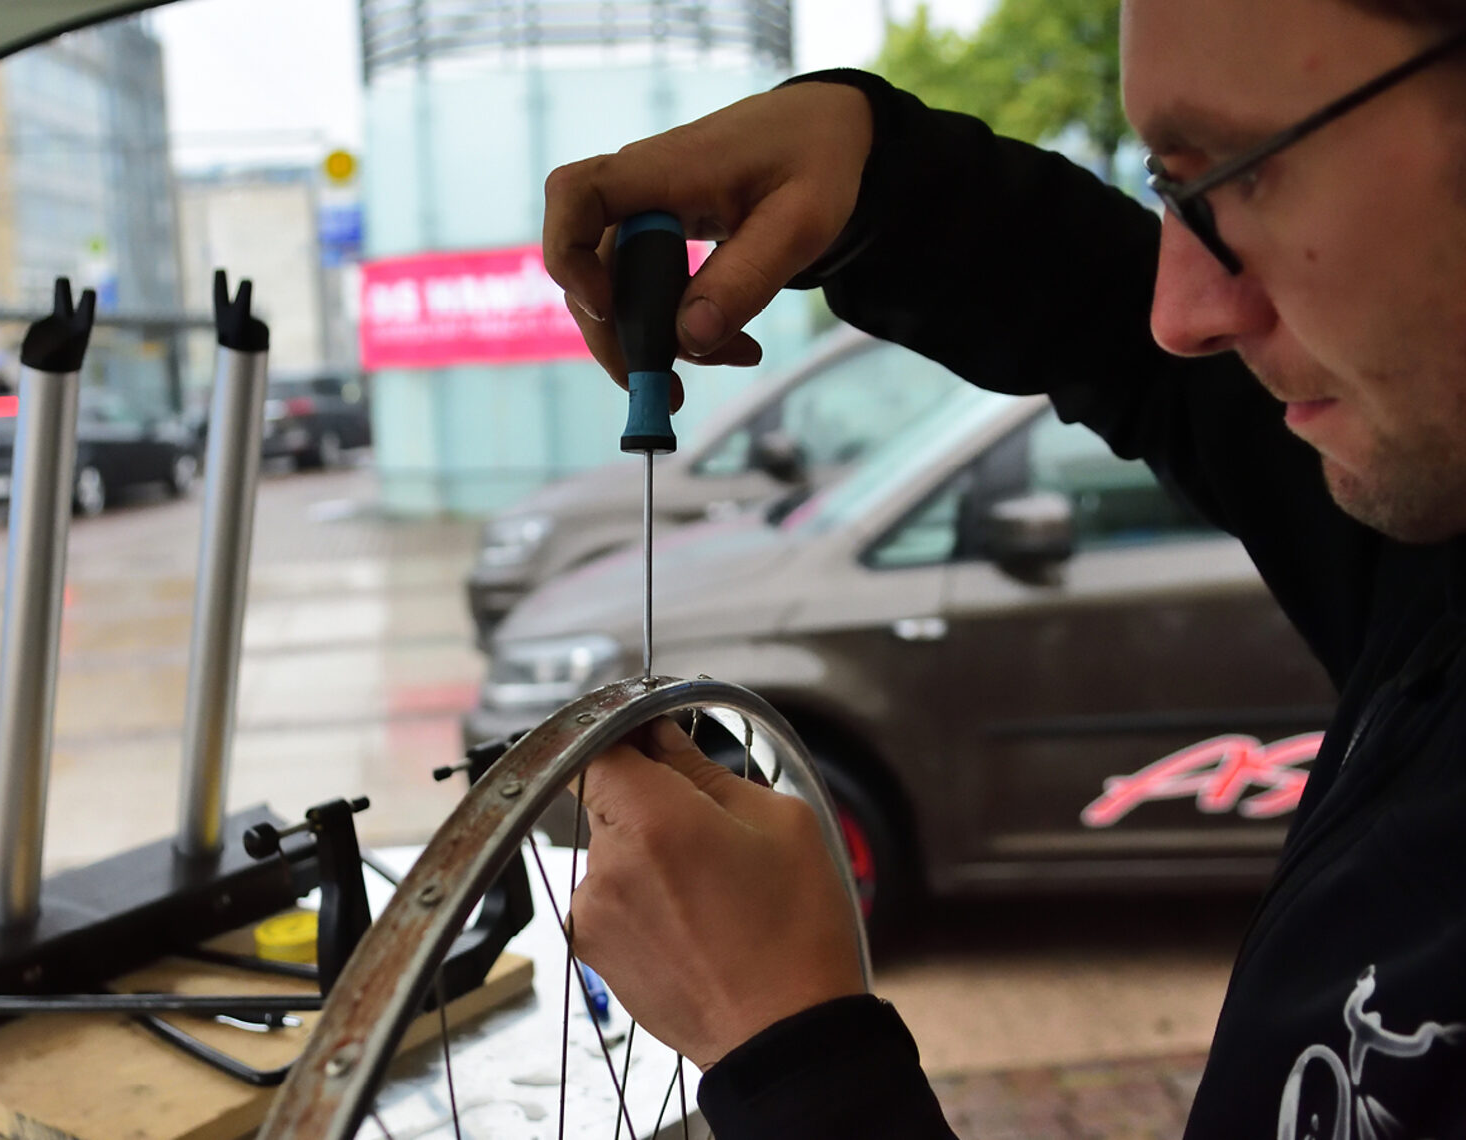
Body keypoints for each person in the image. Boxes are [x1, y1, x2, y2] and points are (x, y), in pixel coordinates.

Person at [541, 0, 1466, 1134]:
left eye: (1242, 176)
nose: (1181, 312)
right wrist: (884, 183)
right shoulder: (1435, 560)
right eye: (1169, 192)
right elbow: (1137, 355)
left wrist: (795, 1055)